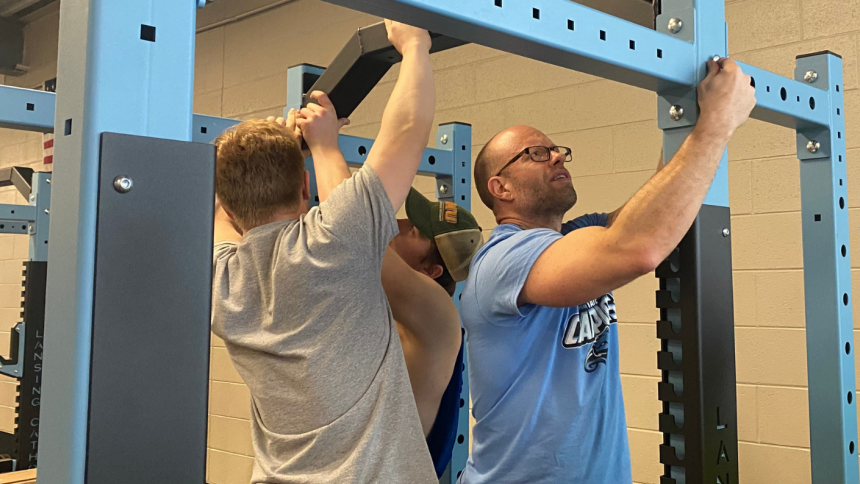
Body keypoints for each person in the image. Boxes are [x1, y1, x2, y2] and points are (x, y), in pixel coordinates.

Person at [457, 57, 757, 483]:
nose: (557, 155)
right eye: (536, 153)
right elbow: (640, 247)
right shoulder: (503, 260)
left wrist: (689, 111)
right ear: (500, 188)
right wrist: (716, 125)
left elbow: (658, 210)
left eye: (557, 149)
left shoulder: (575, 237)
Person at [210, 20, 439, 483]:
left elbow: (220, 213)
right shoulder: (334, 244)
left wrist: (282, 149)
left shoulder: (219, 279)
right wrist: (414, 45)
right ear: (303, 187)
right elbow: (408, 130)